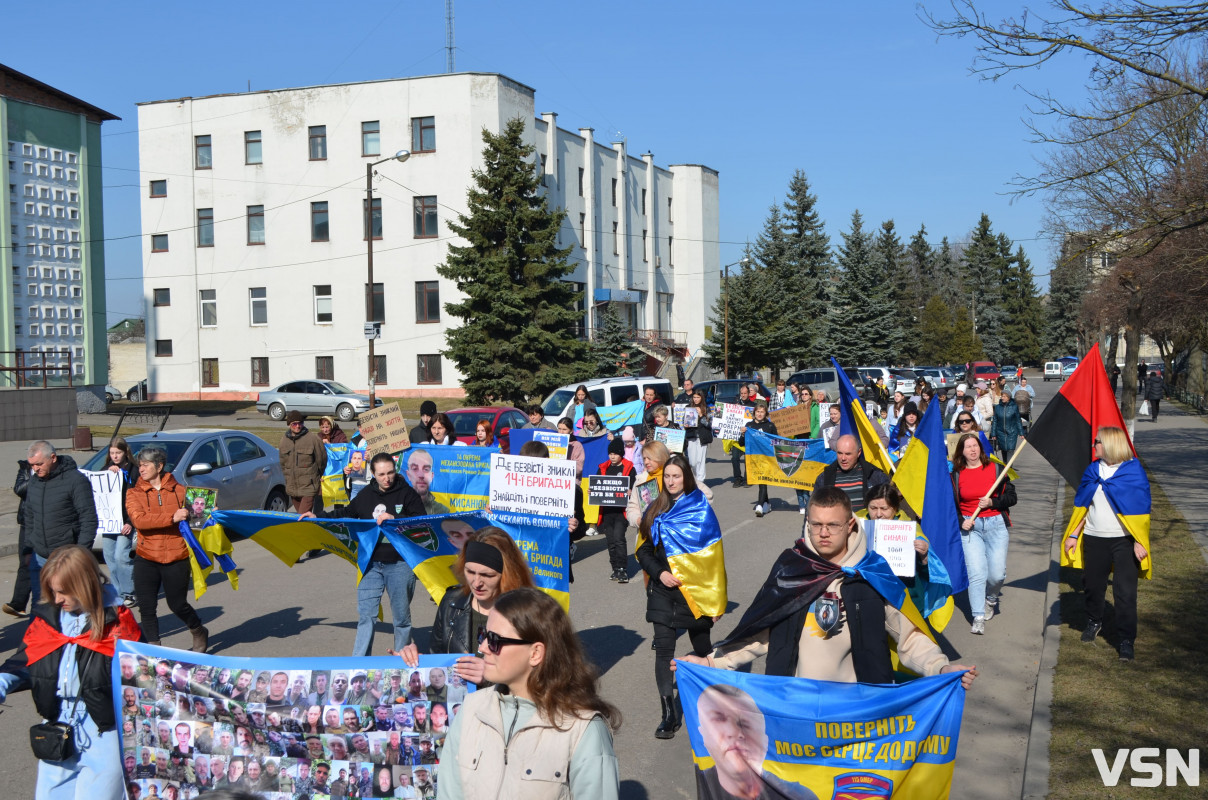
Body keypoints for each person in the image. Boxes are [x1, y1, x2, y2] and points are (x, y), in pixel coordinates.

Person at [677, 488, 978, 687]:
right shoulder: (792, 568)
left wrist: (940, 668)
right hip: (795, 703)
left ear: (849, 525)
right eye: (815, 524)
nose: (823, 533)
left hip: (857, 708)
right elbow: (760, 634)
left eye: (832, 525)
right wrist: (709, 661)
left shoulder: (872, 571)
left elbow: (909, 637)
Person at [437, 587, 621, 800]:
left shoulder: (584, 730)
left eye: (495, 640)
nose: (483, 647)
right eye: (483, 635)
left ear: (535, 653)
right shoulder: (471, 709)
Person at [0, 545, 142, 800]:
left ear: (84, 585)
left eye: (63, 592)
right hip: (57, 727)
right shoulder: (48, 620)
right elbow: (25, 661)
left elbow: (146, 678)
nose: (56, 600)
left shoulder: (119, 623)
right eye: (52, 591)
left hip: (105, 733)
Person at [303, 453, 425, 655]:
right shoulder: (366, 495)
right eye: (382, 474)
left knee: (401, 619)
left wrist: (394, 518)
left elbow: (422, 522)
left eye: (390, 473)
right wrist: (317, 516)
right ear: (373, 474)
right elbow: (346, 514)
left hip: (400, 564)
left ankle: (401, 662)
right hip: (371, 564)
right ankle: (359, 665)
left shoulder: (407, 494)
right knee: (366, 616)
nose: (387, 478)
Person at [637, 454, 719, 739]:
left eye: (676, 476)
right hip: (662, 592)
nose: (671, 481)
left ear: (686, 478)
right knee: (663, 650)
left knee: (703, 646)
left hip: (693, 593)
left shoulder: (700, 509)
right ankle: (669, 714)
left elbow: (713, 557)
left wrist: (716, 600)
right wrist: (659, 573)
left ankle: (712, 701)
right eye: (667, 476)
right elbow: (643, 551)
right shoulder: (655, 509)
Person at [394, 529, 533, 685]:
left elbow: (543, 676)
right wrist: (414, 661)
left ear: (508, 574)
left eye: (487, 575)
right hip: (460, 707)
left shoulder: (529, 612)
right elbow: (438, 662)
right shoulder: (451, 603)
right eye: (470, 571)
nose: (476, 583)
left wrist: (492, 677)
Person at [1063, 426, 1150, 661]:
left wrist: (1139, 542)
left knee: (1125, 593)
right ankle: (1093, 621)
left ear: (1110, 444)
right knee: (1092, 585)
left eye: (1097, 442)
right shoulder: (1092, 470)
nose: (1094, 446)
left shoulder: (1133, 472)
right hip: (1094, 538)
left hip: (1124, 542)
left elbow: (1140, 512)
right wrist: (1073, 534)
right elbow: (1083, 505)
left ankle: (1125, 639)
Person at [126, 447, 210, 652]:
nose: (141, 468)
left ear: (160, 466)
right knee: (146, 608)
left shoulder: (181, 491)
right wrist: (171, 517)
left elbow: (200, 521)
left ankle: (198, 629)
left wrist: (206, 512)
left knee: (177, 604)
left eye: (146, 464)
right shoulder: (133, 493)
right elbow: (140, 521)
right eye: (140, 465)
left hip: (176, 556)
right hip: (146, 557)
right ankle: (154, 651)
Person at [694, 684, 817, 800]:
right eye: (719, 719)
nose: (734, 732)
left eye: (745, 724)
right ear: (702, 734)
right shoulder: (701, 783)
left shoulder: (798, 796)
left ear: (765, 742)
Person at [952, 432, 1017, 635]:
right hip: (971, 529)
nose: (972, 450)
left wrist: (992, 502)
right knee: (977, 574)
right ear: (961, 452)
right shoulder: (955, 475)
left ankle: (991, 599)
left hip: (996, 525)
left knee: (997, 574)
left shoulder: (996, 469)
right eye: (968, 447)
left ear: (981, 447)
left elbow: (1012, 497)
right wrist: (962, 521)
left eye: (975, 445)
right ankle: (978, 616)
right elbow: (951, 506)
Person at [22, 441, 98, 604]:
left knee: (67, 605)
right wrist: (28, 549)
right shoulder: (35, 480)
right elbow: (29, 516)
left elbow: (88, 518)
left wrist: (81, 554)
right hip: (39, 556)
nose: (35, 469)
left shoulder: (75, 480)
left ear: (53, 458)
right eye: (32, 465)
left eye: (39, 464)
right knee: (40, 605)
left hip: (66, 557)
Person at [97, 438, 137, 608]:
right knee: (110, 558)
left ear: (125, 452)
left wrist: (130, 521)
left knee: (122, 556)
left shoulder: (133, 471)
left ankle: (129, 592)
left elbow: (136, 499)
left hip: (125, 523)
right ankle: (117, 591)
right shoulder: (105, 470)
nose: (115, 456)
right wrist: (108, 472)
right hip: (109, 523)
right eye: (112, 453)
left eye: (118, 453)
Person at [813, 434, 889, 515]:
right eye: (839, 453)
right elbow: (812, 509)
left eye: (848, 454)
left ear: (859, 452)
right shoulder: (824, 478)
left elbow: (889, 508)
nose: (843, 458)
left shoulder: (875, 476)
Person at [597, 438, 636, 582]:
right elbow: (597, 485)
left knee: (619, 538)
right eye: (610, 453)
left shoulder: (629, 468)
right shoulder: (603, 468)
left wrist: (631, 491)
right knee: (610, 540)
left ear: (621, 453)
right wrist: (593, 491)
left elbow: (634, 484)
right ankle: (614, 568)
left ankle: (622, 569)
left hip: (621, 511)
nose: (612, 456)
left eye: (615, 453)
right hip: (606, 511)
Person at [279, 410, 327, 515]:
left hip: (308, 487)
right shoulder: (284, 440)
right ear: (289, 425)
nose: (297, 426)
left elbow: (322, 461)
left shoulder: (313, 439)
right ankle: (313, 530)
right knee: (303, 518)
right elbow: (283, 463)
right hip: (292, 488)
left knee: (302, 517)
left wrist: (315, 478)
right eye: (294, 424)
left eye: (300, 423)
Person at [5, 456, 34, 617]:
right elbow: (20, 489)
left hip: (47, 524)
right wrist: (35, 479)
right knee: (25, 562)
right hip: (27, 522)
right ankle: (18, 603)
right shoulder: (24, 469)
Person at [740, 402, 778, 518]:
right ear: (754, 413)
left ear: (766, 413)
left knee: (763, 481)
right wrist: (742, 434)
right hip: (753, 459)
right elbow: (741, 443)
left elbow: (776, 442)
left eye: (762, 412)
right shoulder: (749, 426)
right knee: (760, 481)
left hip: (766, 458)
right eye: (758, 412)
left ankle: (760, 505)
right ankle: (767, 503)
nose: (760, 414)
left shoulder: (770, 426)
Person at [403, 449, 449, 515]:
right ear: (408, 475)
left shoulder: (442, 511)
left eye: (426, 469)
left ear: (432, 476)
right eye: (415, 469)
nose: (421, 475)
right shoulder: (401, 507)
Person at [682, 390, 713, 484]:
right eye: (694, 397)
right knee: (692, 462)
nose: (695, 399)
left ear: (701, 398)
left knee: (701, 460)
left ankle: (701, 481)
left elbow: (709, 424)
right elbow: (684, 421)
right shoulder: (688, 408)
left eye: (698, 397)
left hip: (702, 437)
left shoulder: (706, 409)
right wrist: (685, 425)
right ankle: (695, 478)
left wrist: (701, 415)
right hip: (691, 436)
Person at [991, 389, 1025, 464]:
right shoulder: (997, 407)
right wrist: (993, 433)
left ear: (1009, 397)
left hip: (1012, 432)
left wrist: (1021, 433)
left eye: (1004, 396)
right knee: (1004, 451)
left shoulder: (1014, 407)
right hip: (1001, 433)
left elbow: (1018, 420)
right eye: (1002, 396)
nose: (1002, 398)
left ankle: (1009, 469)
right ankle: (1005, 469)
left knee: (1010, 450)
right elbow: (995, 421)